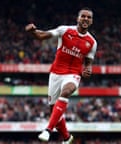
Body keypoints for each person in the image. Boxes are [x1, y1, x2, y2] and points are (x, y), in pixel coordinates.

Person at [25, 7, 97, 144]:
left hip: (73, 74)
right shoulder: (65, 30)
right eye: (83, 16)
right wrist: (33, 31)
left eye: (89, 17)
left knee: (66, 91)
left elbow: (88, 62)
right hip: (56, 73)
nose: (86, 19)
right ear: (78, 18)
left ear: (92, 21)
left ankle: (48, 130)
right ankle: (67, 138)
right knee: (54, 110)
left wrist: (88, 69)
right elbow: (42, 36)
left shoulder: (92, 42)